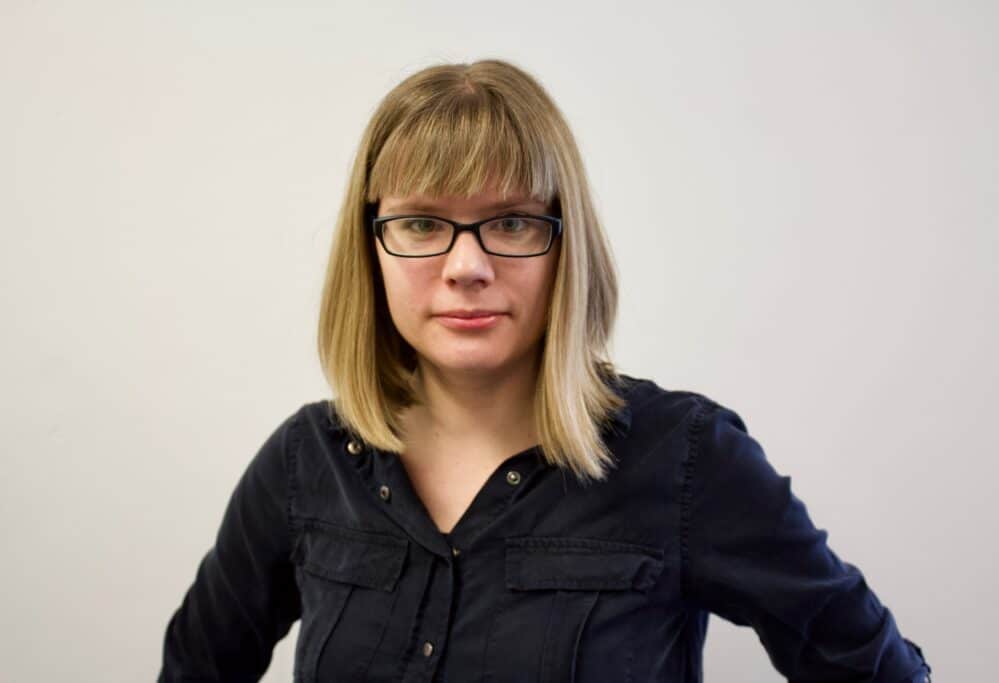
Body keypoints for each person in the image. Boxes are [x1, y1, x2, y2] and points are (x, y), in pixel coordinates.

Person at [159, 59, 932, 682]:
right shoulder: (307, 462)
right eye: (423, 222)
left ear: (567, 244)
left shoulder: (685, 458)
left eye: (512, 221)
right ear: (371, 246)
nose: (467, 265)